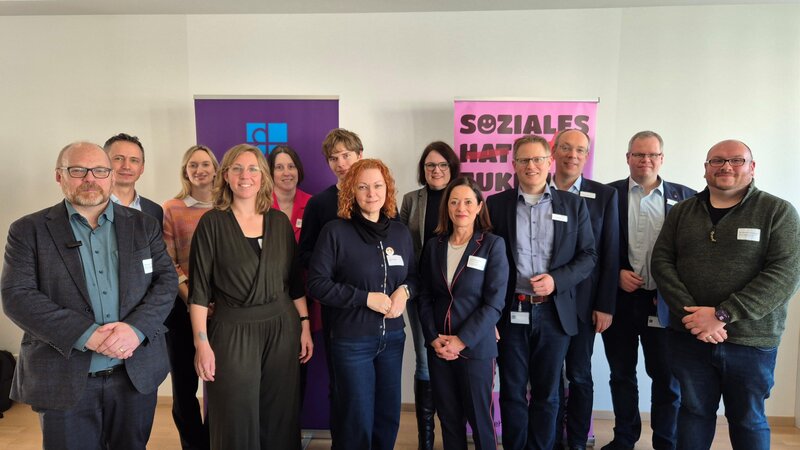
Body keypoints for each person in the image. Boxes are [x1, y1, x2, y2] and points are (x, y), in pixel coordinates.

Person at [1, 141, 177, 449]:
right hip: (64, 378)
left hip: (134, 375)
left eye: (99, 170)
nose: (90, 179)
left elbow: (166, 282)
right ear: (60, 176)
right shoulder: (28, 230)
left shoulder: (143, 225)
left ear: (110, 176)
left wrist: (135, 329)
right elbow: (17, 295)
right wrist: (85, 334)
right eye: (78, 170)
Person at [652, 139, 800, 450]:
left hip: (751, 340)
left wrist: (722, 315)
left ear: (752, 167)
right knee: (692, 413)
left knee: (748, 418)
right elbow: (662, 262)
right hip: (689, 335)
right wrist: (692, 315)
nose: (726, 166)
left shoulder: (777, 212)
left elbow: (785, 274)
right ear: (706, 168)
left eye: (736, 160)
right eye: (716, 161)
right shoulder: (682, 211)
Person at [188, 144, 313, 449]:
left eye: (253, 169)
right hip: (232, 330)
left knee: (279, 413)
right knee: (234, 413)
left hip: (282, 328)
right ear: (226, 176)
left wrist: (305, 325)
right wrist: (201, 344)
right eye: (238, 169)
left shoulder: (279, 222)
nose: (246, 176)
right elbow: (199, 292)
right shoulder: (211, 224)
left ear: (263, 176)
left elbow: (294, 283)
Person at [487, 135, 597, 450]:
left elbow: (588, 256)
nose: (531, 166)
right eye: (524, 160)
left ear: (549, 162)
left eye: (538, 159)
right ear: (514, 164)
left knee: (549, 393)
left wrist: (556, 280)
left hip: (554, 312)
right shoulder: (496, 205)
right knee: (511, 390)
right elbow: (487, 261)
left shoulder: (573, 205)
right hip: (511, 311)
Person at [307, 158, 418, 450]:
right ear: (351, 192)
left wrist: (405, 291)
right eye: (363, 186)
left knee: (387, 416)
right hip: (352, 342)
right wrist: (364, 298)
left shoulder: (400, 232)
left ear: (387, 189)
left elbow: (416, 276)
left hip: (393, 339)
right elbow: (317, 284)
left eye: (378, 185)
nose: (372, 193)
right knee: (355, 419)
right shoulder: (335, 232)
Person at [601, 131, 695, 450]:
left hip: (665, 304)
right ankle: (624, 438)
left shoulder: (686, 198)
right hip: (621, 301)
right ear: (628, 158)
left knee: (667, 378)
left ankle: (666, 442)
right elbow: (591, 246)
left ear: (662, 159)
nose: (645, 161)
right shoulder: (607, 195)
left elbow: (694, 254)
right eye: (639, 155)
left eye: (652, 155)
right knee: (622, 375)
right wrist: (615, 274)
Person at [417, 176, 508, 450]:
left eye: (468, 201)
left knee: (481, 421)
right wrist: (433, 338)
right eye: (454, 202)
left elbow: (494, 304)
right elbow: (423, 295)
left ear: (479, 206)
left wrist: (461, 340)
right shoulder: (434, 245)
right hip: (439, 348)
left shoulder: (492, 245)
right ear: (447, 207)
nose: (461, 208)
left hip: (476, 349)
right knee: (449, 419)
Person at [549, 129, 620, 450]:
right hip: (542, 303)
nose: (572, 155)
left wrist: (605, 304)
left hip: (583, 305)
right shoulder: (534, 189)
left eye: (580, 150)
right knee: (545, 379)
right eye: (565, 147)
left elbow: (609, 253)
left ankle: (576, 441)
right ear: (554, 150)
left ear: (587, 156)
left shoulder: (604, 196)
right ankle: (547, 440)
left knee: (578, 375)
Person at [297, 128, 364, 446]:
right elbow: (305, 253)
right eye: (333, 158)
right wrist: (335, 263)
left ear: (360, 155)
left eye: (346, 155)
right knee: (341, 383)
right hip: (336, 306)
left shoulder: (377, 195)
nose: (340, 163)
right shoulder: (320, 204)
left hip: (375, 307)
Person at [399, 140, 460, 449]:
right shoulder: (412, 200)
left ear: (452, 167)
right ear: (423, 170)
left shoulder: (463, 197)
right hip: (423, 293)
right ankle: (426, 439)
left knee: (458, 357)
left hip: (459, 295)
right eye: (430, 165)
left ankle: (456, 435)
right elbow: (403, 243)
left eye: (442, 165)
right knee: (425, 360)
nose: (436, 170)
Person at [162, 144, 219, 450]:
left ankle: (214, 441)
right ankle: (193, 445)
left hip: (222, 308)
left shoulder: (227, 207)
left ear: (215, 168)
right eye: (193, 165)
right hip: (182, 308)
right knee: (185, 387)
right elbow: (167, 262)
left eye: (205, 164)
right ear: (185, 171)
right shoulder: (172, 207)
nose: (199, 170)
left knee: (220, 383)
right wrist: (192, 299)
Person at [104, 133, 163, 224]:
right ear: (104, 163)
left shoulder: (155, 211)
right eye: (118, 158)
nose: (126, 166)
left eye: (134, 160)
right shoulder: (92, 206)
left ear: (142, 168)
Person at [268, 145, 311, 242]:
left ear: (298, 170)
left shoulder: (312, 203)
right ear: (271, 172)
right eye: (279, 167)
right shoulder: (260, 204)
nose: (286, 173)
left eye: (291, 167)